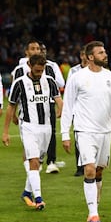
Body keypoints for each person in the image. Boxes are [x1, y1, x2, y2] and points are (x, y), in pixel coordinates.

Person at [60, 41, 111, 222]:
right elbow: (67, 106)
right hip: (84, 131)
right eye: (101, 52)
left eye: (105, 51)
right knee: (89, 169)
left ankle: (95, 204)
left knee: (99, 171)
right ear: (90, 57)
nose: (105, 54)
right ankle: (93, 213)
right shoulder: (77, 78)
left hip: (105, 131)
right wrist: (64, 134)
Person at [2, 54, 63, 210]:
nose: (39, 73)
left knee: (38, 163)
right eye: (36, 70)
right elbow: (11, 107)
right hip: (28, 126)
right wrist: (6, 132)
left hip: (47, 127)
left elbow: (58, 99)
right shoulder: (19, 83)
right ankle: (39, 198)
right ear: (29, 65)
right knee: (34, 161)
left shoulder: (49, 81)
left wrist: (62, 110)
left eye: (41, 70)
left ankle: (27, 192)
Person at [39, 43, 66, 174]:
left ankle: (50, 161)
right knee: (36, 133)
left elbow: (61, 83)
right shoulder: (24, 65)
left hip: (48, 102)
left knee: (50, 133)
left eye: (43, 49)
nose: (41, 52)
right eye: (39, 49)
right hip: (34, 103)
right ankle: (40, 161)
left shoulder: (52, 65)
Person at [67, 45, 89, 176]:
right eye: (85, 54)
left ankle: (92, 164)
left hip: (92, 110)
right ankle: (80, 167)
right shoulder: (73, 71)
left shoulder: (97, 70)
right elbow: (70, 91)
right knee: (79, 138)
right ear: (81, 56)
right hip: (78, 110)